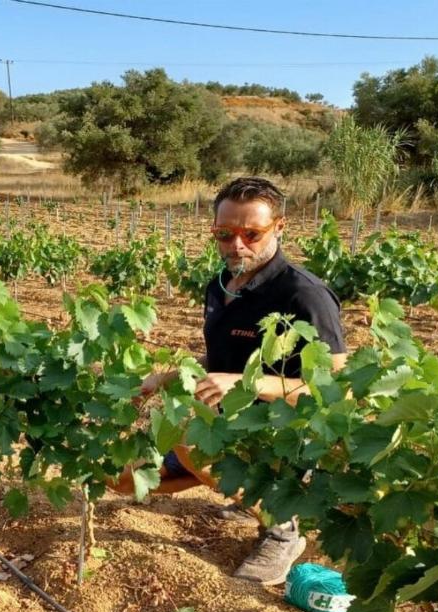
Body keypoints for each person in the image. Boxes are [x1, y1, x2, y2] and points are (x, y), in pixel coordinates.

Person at [112, 176, 347, 585]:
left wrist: (247, 384)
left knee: (186, 439)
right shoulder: (220, 286)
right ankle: (244, 492)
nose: (236, 245)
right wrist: (166, 377)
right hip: (228, 428)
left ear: (279, 228)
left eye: (251, 233)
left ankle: (282, 528)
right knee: (122, 479)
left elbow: (336, 386)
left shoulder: (303, 295)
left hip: (286, 434)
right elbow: (220, 360)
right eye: (224, 233)